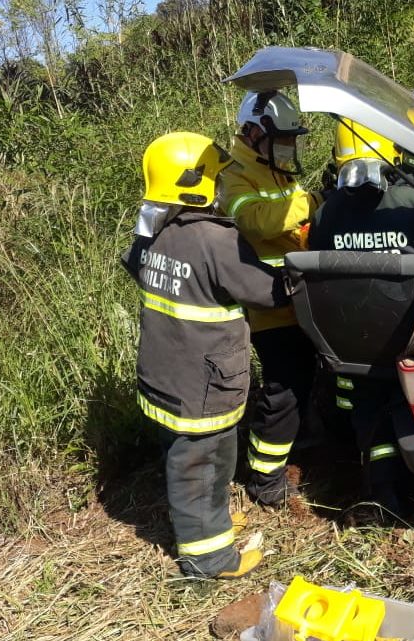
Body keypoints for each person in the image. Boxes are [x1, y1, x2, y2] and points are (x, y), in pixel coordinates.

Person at [121, 131, 288, 579]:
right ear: (193, 184)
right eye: (214, 177)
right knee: (199, 465)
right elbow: (266, 291)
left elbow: (134, 264)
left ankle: (212, 526)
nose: (219, 185)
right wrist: (295, 275)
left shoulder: (153, 232)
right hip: (204, 384)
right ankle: (208, 558)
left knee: (200, 459)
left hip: (165, 377)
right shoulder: (215, 240)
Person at [307, 118, 414, 518]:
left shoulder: (326, 215)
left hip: (355, 339)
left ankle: (383, 493)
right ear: (389, 153)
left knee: (369, 415)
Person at [218, 90, 323, 507]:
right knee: (284, 389)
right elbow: (257, 222)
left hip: (296, 295)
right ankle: (265, 479)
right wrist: (314, 202)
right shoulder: (234, 174)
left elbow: (291, 224)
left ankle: (298, 447)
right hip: (268, 302)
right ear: (255, 131)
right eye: (284, 137)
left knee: (303, 380)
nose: (291, 146)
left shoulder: (275, 167)